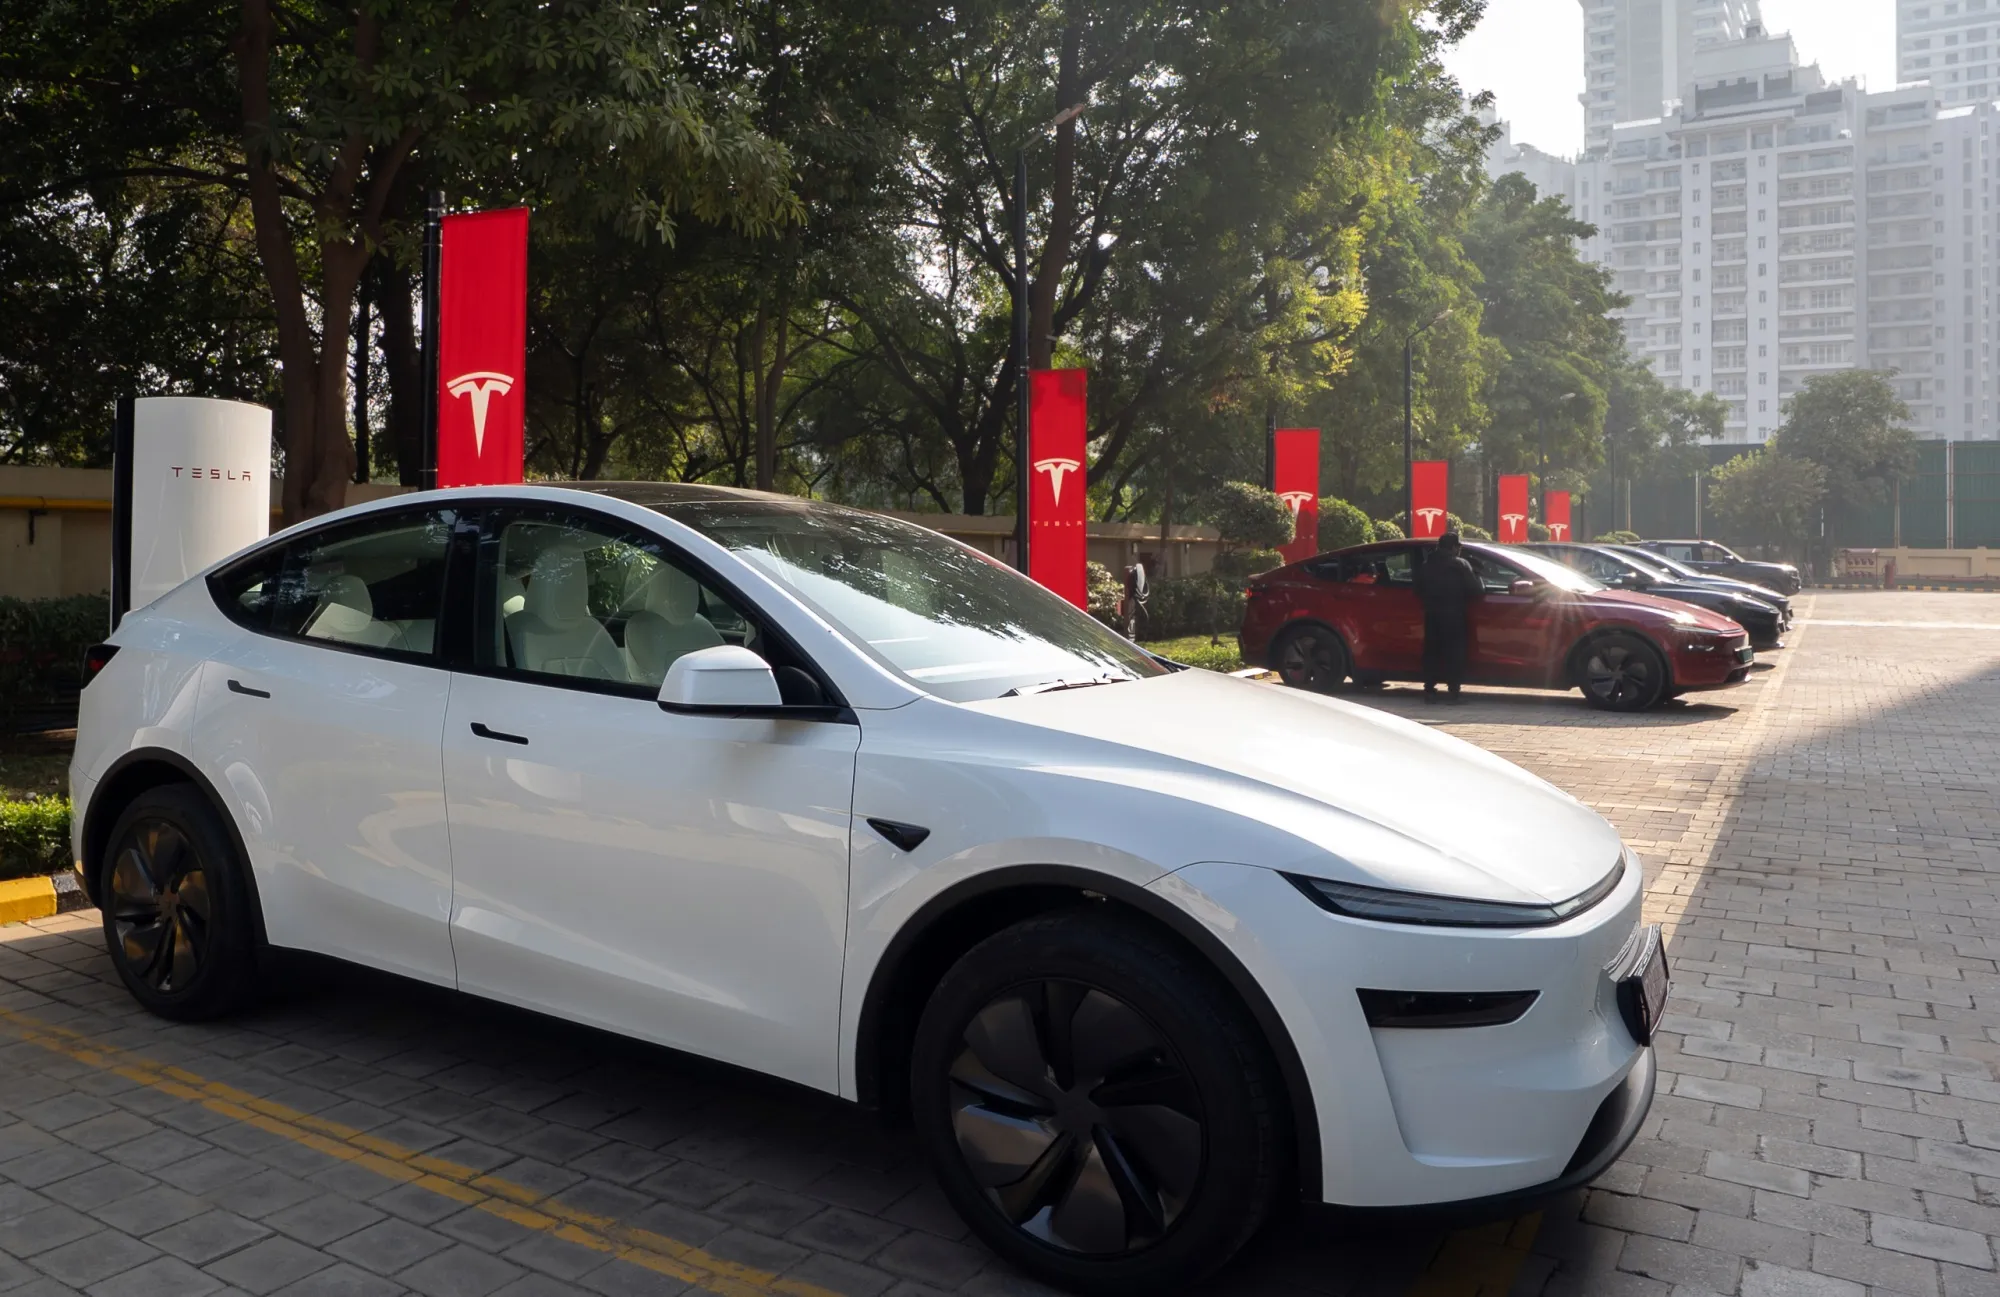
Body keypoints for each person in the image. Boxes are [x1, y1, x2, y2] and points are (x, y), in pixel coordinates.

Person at [1412, 532, 1481, 703]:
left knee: (1431, 651)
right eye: (1459, 547)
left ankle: (1429, 689)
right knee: (1454, 653)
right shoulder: (1461, 565)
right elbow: (1475, 590)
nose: (1459, 550)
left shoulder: (1426, 565)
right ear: (1453, 547)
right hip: (1454, 615)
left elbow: (1417, 589)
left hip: (1432, 615)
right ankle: (1453, 690)